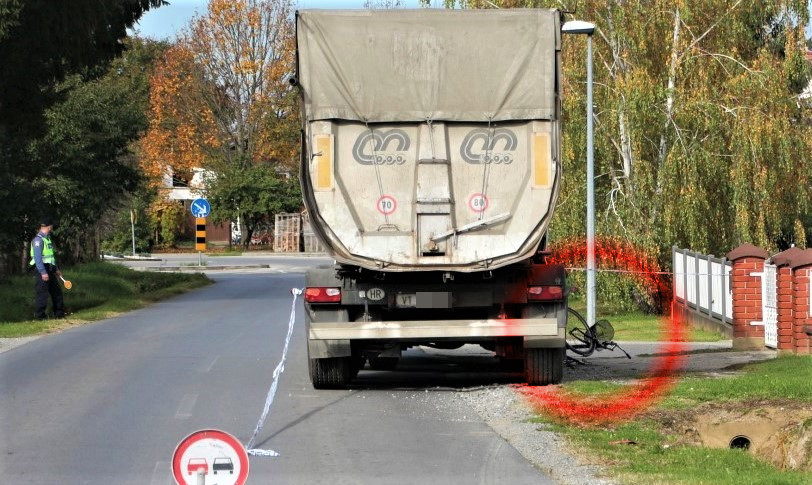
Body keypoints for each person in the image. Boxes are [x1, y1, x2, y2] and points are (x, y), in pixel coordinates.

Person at [29, 218, 65, 319]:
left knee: (57, 293)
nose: (52, 228)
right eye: (52, 226)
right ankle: (40, 317)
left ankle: (59, 314)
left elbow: (50, 257)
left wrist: (56, 269)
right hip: (42, 270)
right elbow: (38, 258)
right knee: (42, 294)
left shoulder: (47, 239)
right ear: (49, 226)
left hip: (50, 268)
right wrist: (43, 272)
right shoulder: (38, 240)